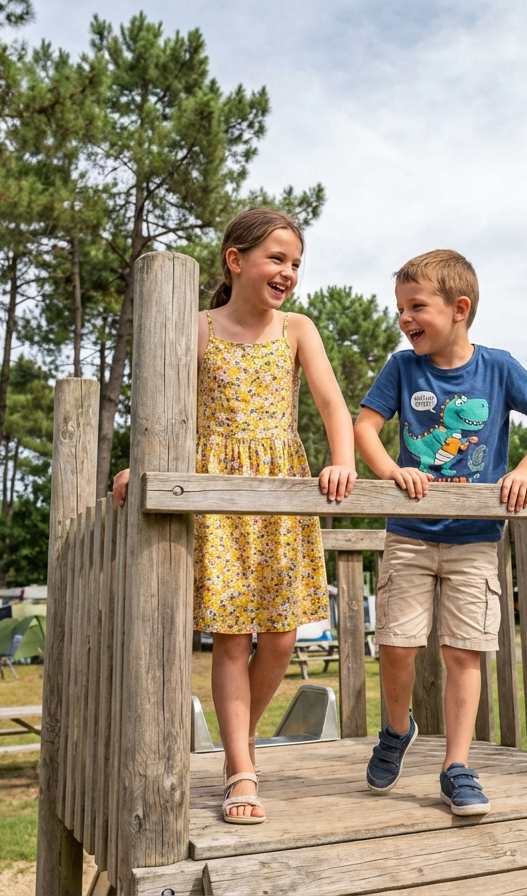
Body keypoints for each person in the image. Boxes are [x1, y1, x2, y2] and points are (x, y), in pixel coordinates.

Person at [114, 208, 356, 824]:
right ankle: (241, 769)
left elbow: (332, 404)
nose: (288, 272)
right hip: (217, 488)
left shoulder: (298, 329)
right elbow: (167, 409)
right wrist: (136, 465)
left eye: (296, 263)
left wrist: (342, 462)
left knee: (278, 638)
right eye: (277, 258)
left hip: (280, 488)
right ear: (235, 259)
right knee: (232, 635)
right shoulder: (197, 327)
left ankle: (233, 740)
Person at [354, 249, 527, 816]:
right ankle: (397, 730)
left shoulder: (497, 368)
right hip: (410, 533)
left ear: (460, 308)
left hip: (475, 538)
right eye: (400, 307)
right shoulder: (402, 368)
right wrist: (392, 470)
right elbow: (365, 426)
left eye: (416, 306)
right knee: (397, 645)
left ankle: (456, 765)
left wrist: (524, 470)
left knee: (462, 651)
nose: (405, 318)